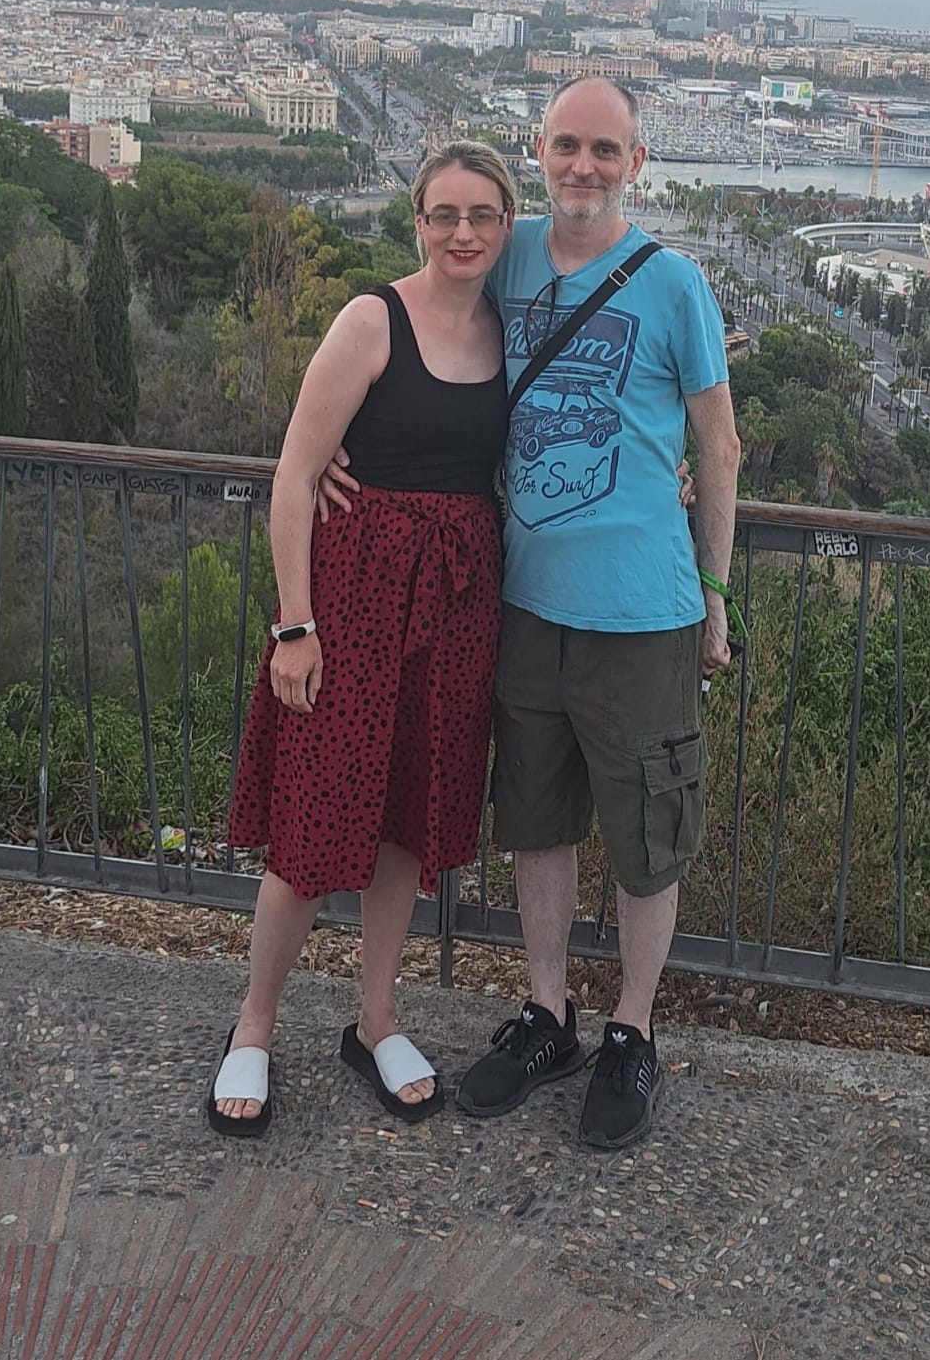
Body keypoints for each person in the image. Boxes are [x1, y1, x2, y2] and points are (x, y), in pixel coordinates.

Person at [323, 77, 741, 1151]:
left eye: (604, 149)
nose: (583, 166)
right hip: (523, 598)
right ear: (540, 153)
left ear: (636, 162)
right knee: (537, 821)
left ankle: (632, 1030)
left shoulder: (676, 284)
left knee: (647, 835)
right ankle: (547, 1013)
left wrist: (715, 592)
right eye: (566, 146)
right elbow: (415, 333)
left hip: (643, 610)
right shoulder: (503, 256)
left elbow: (718, 448)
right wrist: (327, 449)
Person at [207, 142, 515, 1137]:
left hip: (456, 613)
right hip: (352, 606)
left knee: (406, 826)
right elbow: (295, 478)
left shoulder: (510, 331)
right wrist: (294, 627)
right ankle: (254, 1024)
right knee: (312, 816)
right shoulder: (371, 319)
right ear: (417, 222)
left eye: (482, 214)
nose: (463, 231)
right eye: (444, 213)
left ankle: (376, 1018)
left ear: (506, 225)